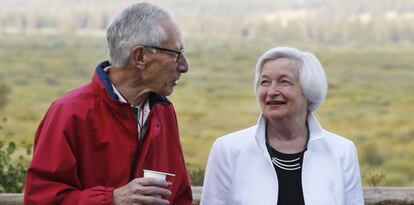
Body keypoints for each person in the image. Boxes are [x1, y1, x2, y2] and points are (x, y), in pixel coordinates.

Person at [24, 2, 193, 205]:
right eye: (176, 54)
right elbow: (40, 200)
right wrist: (111, 199)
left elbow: (180, 196)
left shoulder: (164, 112)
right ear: (140, 57)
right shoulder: (68, 113)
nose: (184, 66)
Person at [200, 47, 364, 205]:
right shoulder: (227, 150)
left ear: (309, 90)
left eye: (284, 82)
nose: (271, 91)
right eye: (264, 82)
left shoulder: (342, 151)